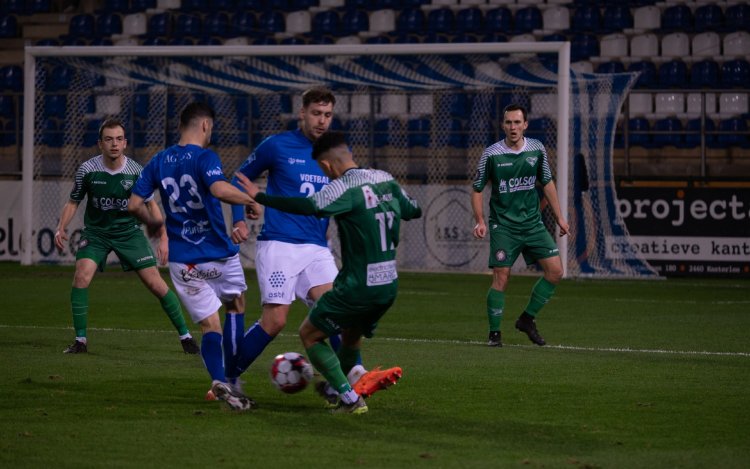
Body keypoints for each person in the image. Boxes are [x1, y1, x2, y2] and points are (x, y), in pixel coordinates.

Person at [228, 87, 400, 403]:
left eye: (327, 115)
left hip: (317, 248)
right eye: (316, 114)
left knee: (338, 313)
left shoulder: (332, 153)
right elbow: (240, 176)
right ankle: (228, 378)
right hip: (279, 244)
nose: (322, 121)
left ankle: (349, 382)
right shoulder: (276, 146)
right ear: (302, 113)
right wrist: (240, 216)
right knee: (275, 320)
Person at [128, 102, 258, 411]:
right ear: (204, 126)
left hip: (181, 260)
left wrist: (153, 223)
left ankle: (218, 380)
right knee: (236, 304)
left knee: (209, 326)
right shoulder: (204, 157)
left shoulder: (158, 161)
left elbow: (134, 204)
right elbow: (220, 189)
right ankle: (232, 378)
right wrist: (254, 199)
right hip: (216, 253)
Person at [54, 118, 199, 356]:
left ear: (125, 143)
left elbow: (152, 207)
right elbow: (73, 202)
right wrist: (61, 227)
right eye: (109, 139)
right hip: (96, 233)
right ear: (100, 143)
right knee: (81, 276)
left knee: (156, 284)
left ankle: (186, 337)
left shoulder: (136, 172)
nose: (114, 144)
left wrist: (163, 238)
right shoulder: (87, 170)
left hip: (129, 233)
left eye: (119, 139)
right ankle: (80, 341)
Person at [470, 104, 570, 348]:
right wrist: (481, 220)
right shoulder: (491, 154)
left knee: (556, 271)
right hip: (503, 226)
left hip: (533, 224)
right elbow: (477, 188)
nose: (512, 127)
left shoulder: (536, 149)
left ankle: (527, 319)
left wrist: (559, 217)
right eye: (508, 123)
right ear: (503, 125)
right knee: (502, 277)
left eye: (517, 122)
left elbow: (547, 183)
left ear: (525, 125)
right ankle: (495, 334)